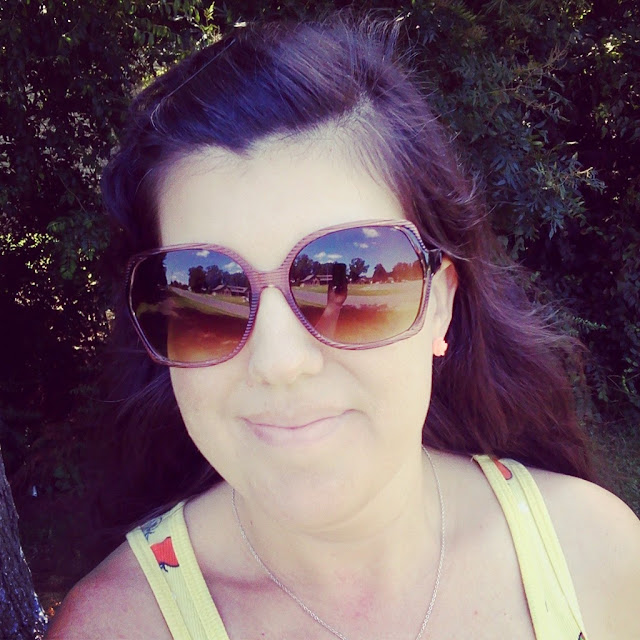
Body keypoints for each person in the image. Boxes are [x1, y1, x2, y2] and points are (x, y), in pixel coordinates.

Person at [45, 15, 639, 640]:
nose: (279, 362)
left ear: (439, 305)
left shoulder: (596, 555)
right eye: (206, 293)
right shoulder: (114, 629)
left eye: (349, 278)